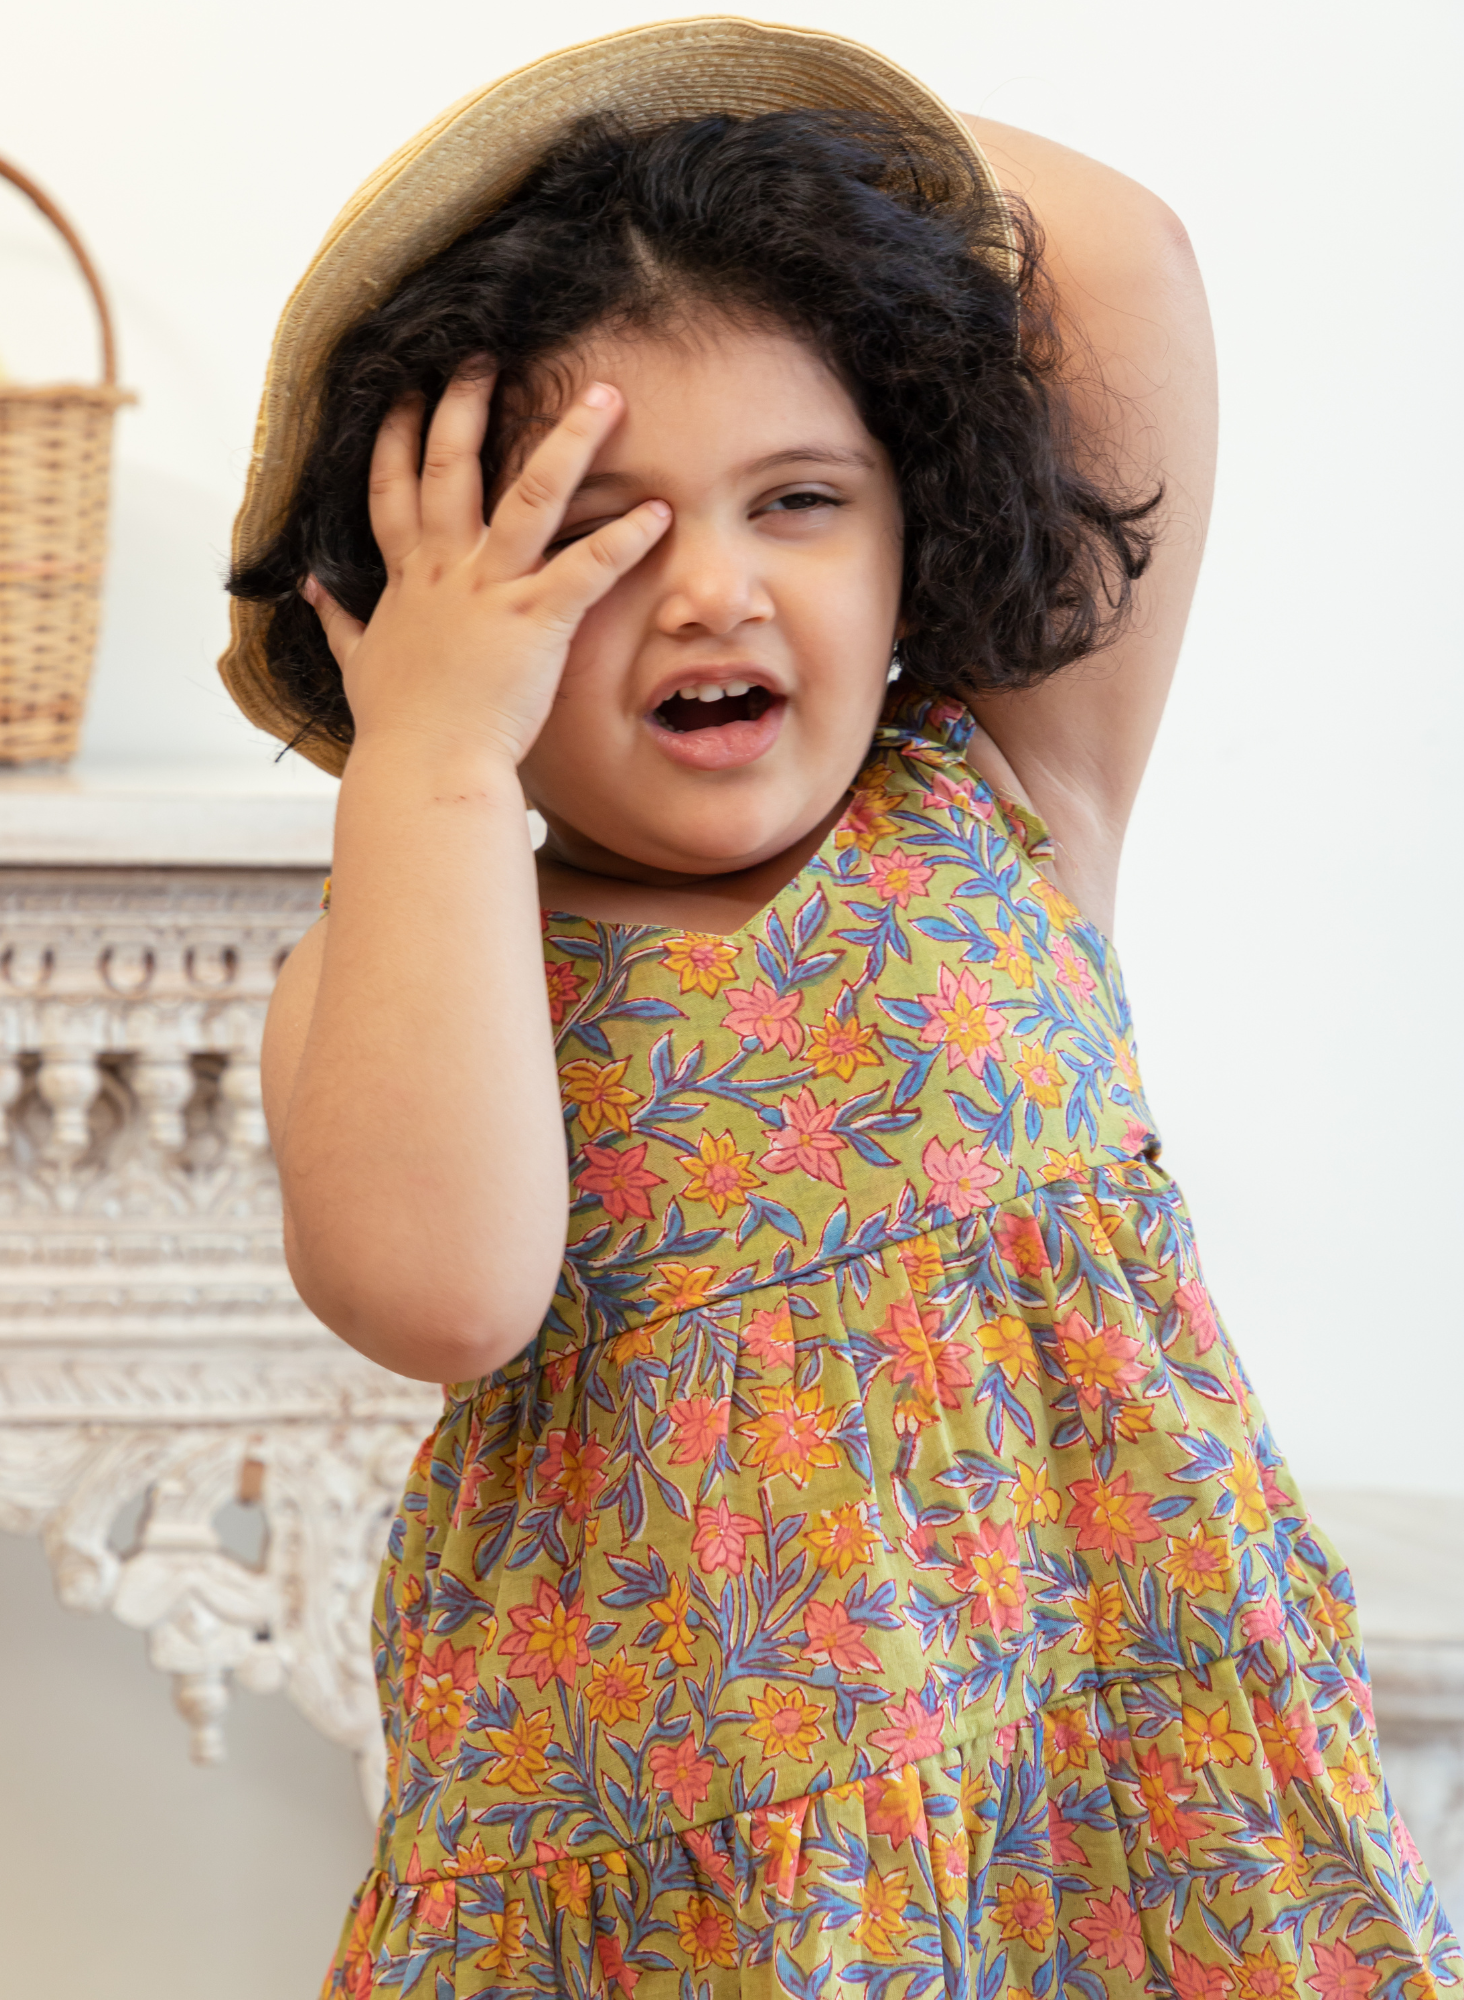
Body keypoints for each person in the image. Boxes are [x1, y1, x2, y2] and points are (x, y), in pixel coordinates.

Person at [223, 20, 1457, 1998]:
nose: (713, 584)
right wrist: (434, 764)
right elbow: (442, 1286)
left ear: (921, 526)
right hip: (684, 1911)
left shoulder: (1012, 805)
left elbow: (1116, 254)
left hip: (1115, 1817)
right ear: (424, 608)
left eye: (797, 498)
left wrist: (694, 161)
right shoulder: (416, 959)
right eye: (593, 529)